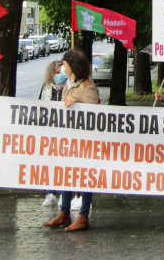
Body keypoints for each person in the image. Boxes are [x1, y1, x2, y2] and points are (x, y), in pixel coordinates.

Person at [43, 49, 99, 232]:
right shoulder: (69, 84)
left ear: (73, 65)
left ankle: (83, 215)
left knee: (84, 178)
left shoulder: (88, 87)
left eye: (65, 64)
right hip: (69, 140)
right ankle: (64, 212)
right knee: (66, 174)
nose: (62, 67)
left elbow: (94, 116)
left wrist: (77, 102)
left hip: (84, 143)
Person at [39, 61, 67, 207]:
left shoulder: (69, 88)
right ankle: (51, 193)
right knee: (51, 164)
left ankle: (64, 193)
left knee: (64, 164)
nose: (59, 75)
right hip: (50, 132)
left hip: (65, 132)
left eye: (61, 72)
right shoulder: (46, 88)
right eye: (56, 73)